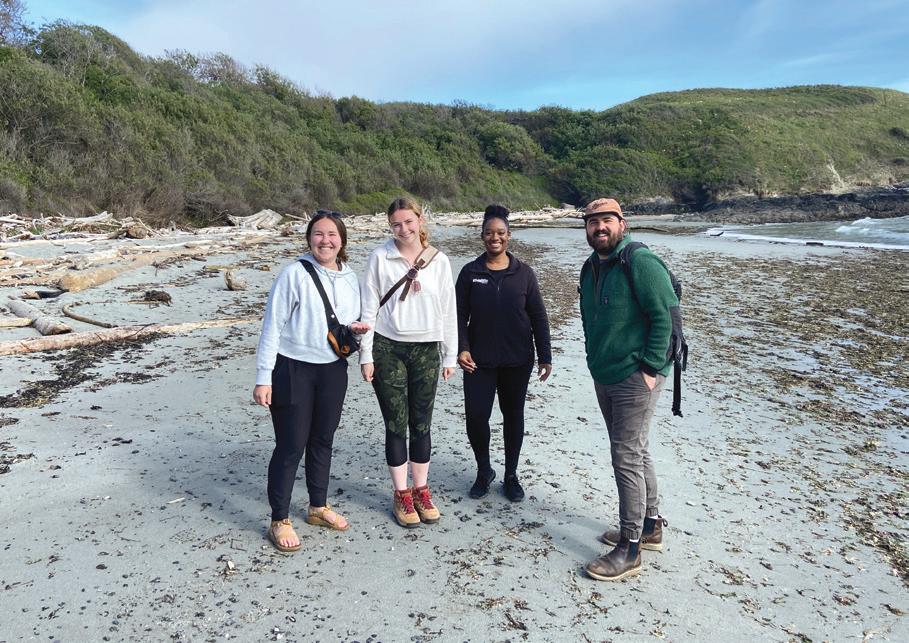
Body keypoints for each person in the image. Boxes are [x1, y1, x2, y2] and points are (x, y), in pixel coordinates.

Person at [253, 211, 370, 552]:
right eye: (318, 234)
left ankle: (318, 506)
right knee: (291, 445)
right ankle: (279, 519)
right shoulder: (293, 273)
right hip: (292, 369)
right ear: (309, 239)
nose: (325, 241)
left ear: (342, 240)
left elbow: (348, 325)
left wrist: (355, 332)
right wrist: (263, 378)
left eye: (332, 234)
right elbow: (272, 327)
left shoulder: (351, 277)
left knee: (322, 440)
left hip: (332, 370)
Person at [578, 197, 678, 581]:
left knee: (625, 457)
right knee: (636, 450)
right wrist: (593, 357)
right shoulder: (592, 266)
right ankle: (650, 526)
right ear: (587, 228)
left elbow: (665, 316)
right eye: (593, 222)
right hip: (606, 373)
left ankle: (630, 548)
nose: (600, 227)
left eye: (607, 220)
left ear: (622, 223)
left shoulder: (640, 261)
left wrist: (650, 369)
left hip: (635, 376)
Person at [359, 197, 457, 528]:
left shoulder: (439, 261)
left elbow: (449, 310)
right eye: (396, 224)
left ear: (420, 220)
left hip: (427, 349)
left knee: (421, 423)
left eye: (408, 222)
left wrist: (450, 354)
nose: (403, 229)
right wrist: (365, 354)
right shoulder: (380, 257)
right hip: (388, 347)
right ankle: (401, 493)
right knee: (395, 422)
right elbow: (368, 307)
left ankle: (421, 490)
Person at [455, 205, 552, 502]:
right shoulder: (470, 272)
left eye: (500, 233)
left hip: (517, 360)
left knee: (513, 416)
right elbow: (457, 315)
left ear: (509, 236)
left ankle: (511, 475)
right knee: (476, 417)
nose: (494, 238)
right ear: (482, 236)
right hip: (478, 361)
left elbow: (538, 316)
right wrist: (462, 348)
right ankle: (484, 470)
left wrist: (545, 356)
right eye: (489, 233)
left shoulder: (524, 273)